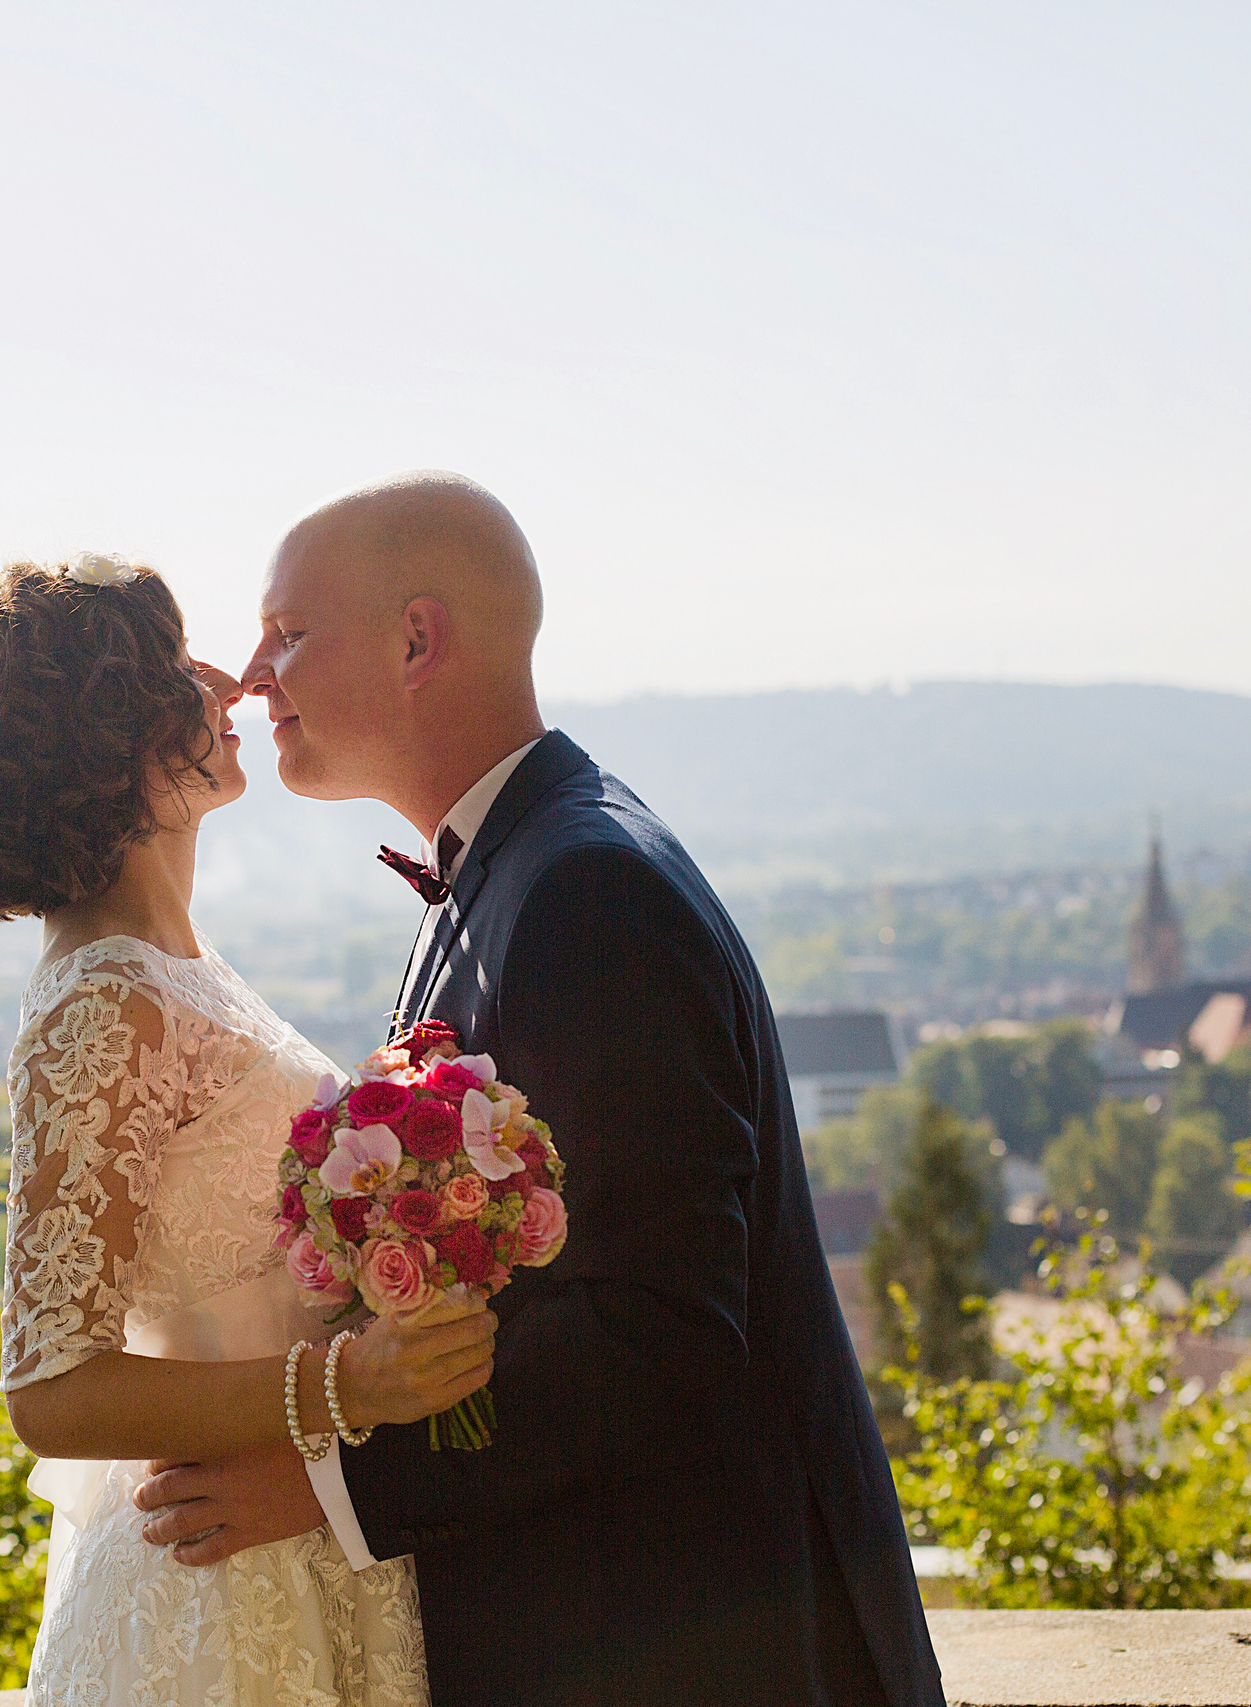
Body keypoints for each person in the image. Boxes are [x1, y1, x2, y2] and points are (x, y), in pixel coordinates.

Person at [131, 475, 949, 1707]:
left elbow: (661, 1328)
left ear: (418, 640)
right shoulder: (509, 868)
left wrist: (327, 1486)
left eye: (288, 630)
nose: (252, 675)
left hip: (695, 1652)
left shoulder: (587, 893)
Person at [0, 555, 494, 1705]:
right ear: (100, 740)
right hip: (212, 1600)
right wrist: (347, 1388)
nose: (225, 680)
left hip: (296, 1552)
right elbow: (50, 1388)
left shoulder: (174, 966)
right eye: (171, 667)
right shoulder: (102, 1001)